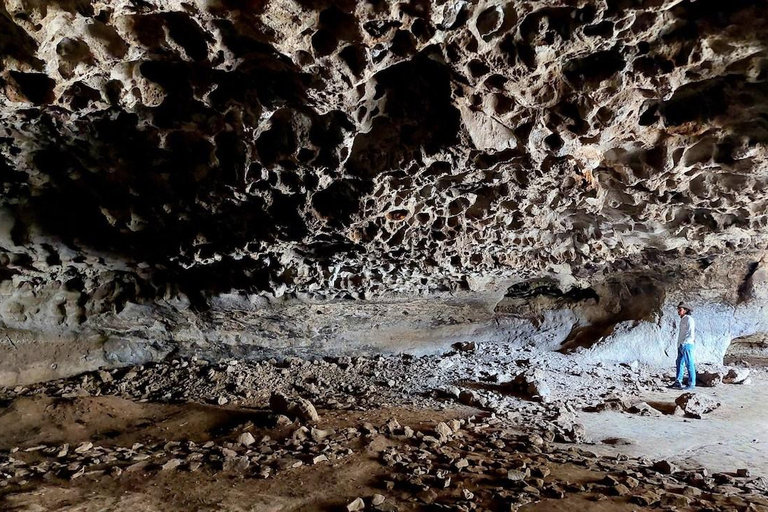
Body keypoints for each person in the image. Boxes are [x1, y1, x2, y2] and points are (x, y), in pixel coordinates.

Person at [668, 302, 696, 390]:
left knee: (689, 363)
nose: (678, 312)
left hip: (686, 344)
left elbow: (691, 333)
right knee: (679, 363)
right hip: (681, 344)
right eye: (678, 310)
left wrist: (684, 343)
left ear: (685, 310)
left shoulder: (689, 319)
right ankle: (678, 382)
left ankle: (692, 384)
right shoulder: (683, 319)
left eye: (680, 310)